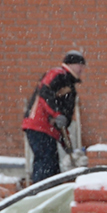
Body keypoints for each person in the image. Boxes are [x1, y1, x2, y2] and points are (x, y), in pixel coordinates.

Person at [22, 50, 85, 183]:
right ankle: (39, 194)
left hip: (49, 131)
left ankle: (51, 193)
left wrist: (66, 143)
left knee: (53, 165)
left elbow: (62, 122)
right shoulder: (57, 74)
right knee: (45, 161)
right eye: (80, 65)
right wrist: (57, 114)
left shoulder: (69, 86)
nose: (82, 69)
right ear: (71, 64)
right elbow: (45, 92)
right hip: (38, 126)